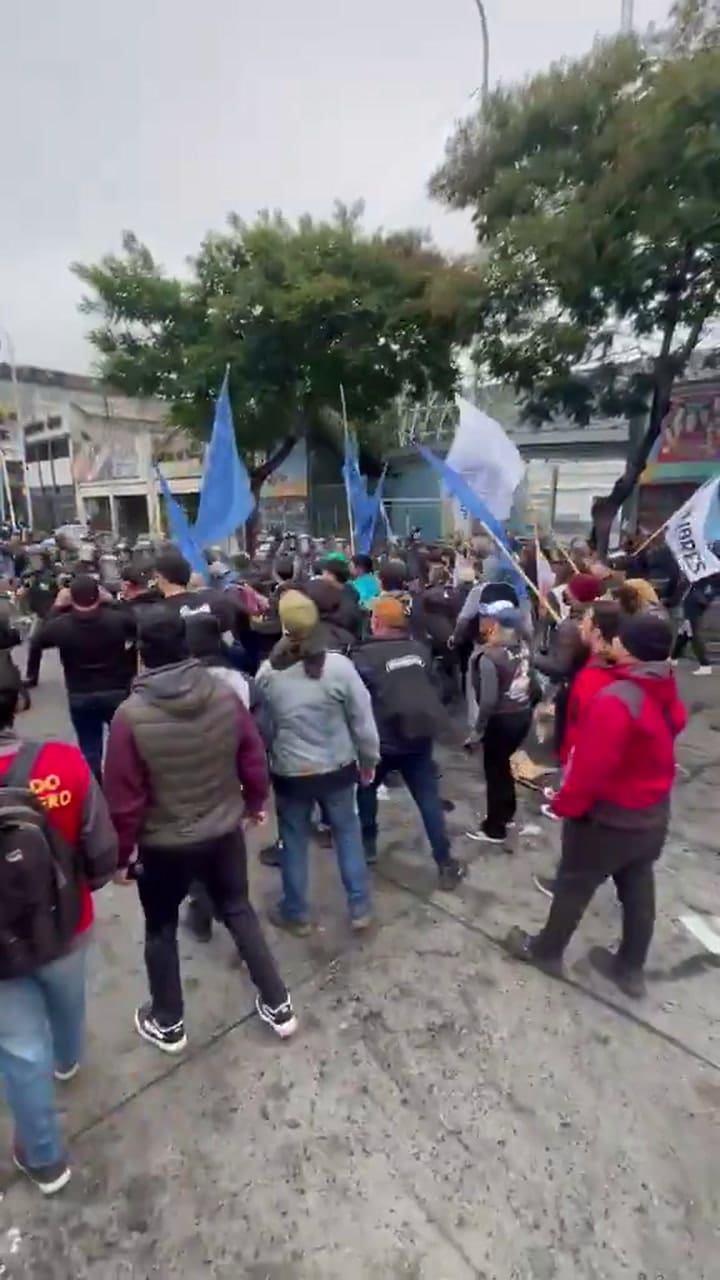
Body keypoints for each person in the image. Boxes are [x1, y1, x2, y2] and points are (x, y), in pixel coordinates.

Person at [103, 608, 297, 1048]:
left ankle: (168, 1021)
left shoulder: (129, 717)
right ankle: (278, 1002)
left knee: (160, 928)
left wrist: (122, 856)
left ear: (141, 654)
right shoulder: (223, 694)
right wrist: (253, 804)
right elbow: (252, 755)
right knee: (238, 909)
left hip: (163, 845)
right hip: (223, 829)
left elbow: (123, 800)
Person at [505, 611, 687, 997]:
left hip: (609, 818)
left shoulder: (617, 701)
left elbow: (590, 769)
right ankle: (630, 968)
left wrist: (565, 805)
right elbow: (677, 721)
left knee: (573, 884)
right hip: (652, 813)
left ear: (628, 647)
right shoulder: (664, 683)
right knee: (638, 886)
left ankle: (546, 950)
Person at [0, 679, 118, 1194]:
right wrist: (82, 889)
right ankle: (68, 1059)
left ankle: (46, 1159)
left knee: (20, 1050)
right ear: (17, 704)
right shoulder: (64, 763)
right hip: (67, 924)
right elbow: (102, 847)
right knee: (67, 1001)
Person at [255, 590, 379, 934]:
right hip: (338, 767)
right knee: (347, 834)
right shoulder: (340, 667)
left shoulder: (268, 673)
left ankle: (296, 911)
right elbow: (363, 722)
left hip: (291, 773)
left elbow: (263, 727)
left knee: (293, 840)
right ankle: (360, 907)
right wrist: (369, 760)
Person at [354, 595, 465, 889]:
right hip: (418, 737)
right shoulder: (420, 650)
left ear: (376, 622)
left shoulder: (363, 657)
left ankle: (367, 845)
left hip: (380, 743)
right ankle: (444, 862)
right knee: (428, 799)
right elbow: (436, 687)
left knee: (366, 793)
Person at [30, 575, 136, 780]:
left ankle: (96, 783)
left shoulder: (61, 625)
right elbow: (136, 623)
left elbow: (37, 639)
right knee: (125, 742)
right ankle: (126, 781)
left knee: (89, 745)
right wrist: (114, 602)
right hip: (116, 689)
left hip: (80, 693)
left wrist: (57, 607)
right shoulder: (116, 619)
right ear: (98, 595)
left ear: (72, 599)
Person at [465, 600, 536, 844]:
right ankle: (507, 812)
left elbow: (487, 701)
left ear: (495, 625)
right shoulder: (523, 648)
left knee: (495, 771)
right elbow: (534, 684)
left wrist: (477, 731)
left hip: (501, 720)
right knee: (505, 767)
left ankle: (495, 827)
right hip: (522, 714)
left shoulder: (489, 656)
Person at [671, 574, 720, 676]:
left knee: (692, 634)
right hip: (692, 604)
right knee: (684, 633)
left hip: (693, 607)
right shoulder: (701, 577)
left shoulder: (704, 578)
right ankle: (673, 658)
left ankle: (705, 665)